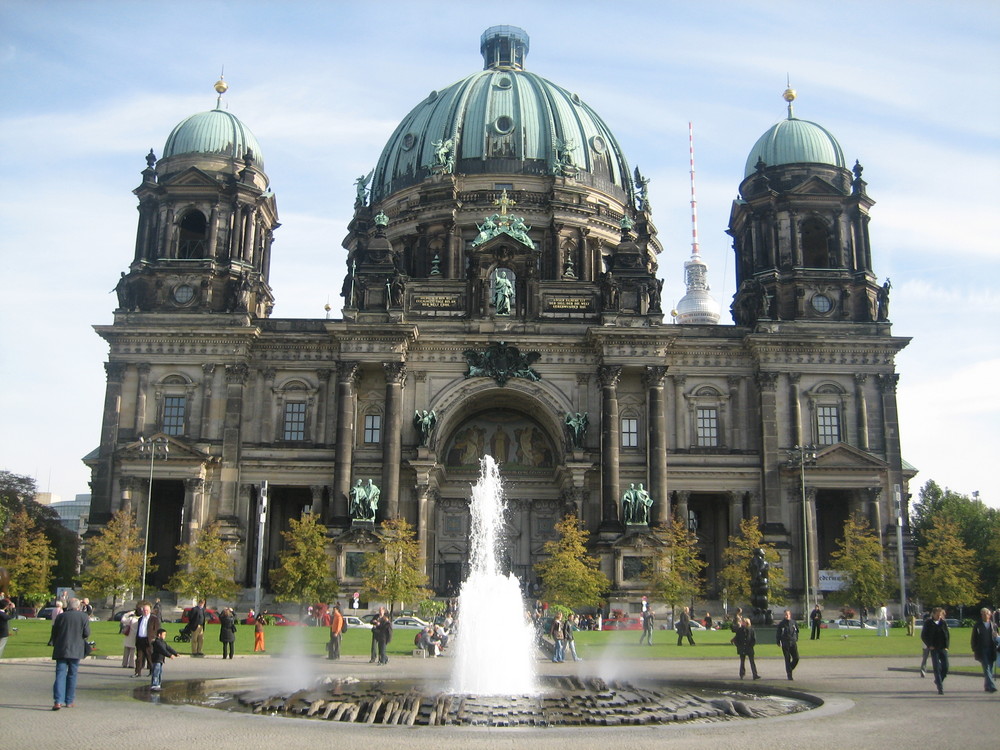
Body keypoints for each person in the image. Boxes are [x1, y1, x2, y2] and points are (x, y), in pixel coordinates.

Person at [50, 597, 90, 710]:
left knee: (60, 675)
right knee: (72, 675)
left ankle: (58, 701)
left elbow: (54, 633)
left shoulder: (61, 616)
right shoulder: (83, 617)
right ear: (78, 607)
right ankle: (69, 700)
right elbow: (86, 633)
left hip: (61, 648)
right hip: (76, 649)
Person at [921, 607, 950, 694]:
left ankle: (939, 680)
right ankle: (940, 687)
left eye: (941, 614)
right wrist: (929, 645)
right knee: (937, 668)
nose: (939, 616)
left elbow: (947, 635)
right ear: (933, 614)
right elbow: (923, 635)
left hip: (943, 648)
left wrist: (947, 646)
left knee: (946, 667)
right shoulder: (928, 623)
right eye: (938, 614)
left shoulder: (943, 623)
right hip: (934, 648)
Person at [971, 607, 998, 693]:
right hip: (982, 650)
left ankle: (987, 686)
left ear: (990, 615)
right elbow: (973, 638)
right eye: (983, 614)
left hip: (992, 649)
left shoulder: (993, 626)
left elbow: (997, 639)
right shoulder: (977, 625)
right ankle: (992, 686)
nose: (985, 615)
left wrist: (996, 636)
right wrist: (974, 648)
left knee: (990, 668)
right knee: (986, 667)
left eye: (986, 613)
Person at [134, 601, 159, 677]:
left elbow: (157, 629)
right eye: (144, 610)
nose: (145, 612)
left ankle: (152, 671)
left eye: (147, 610)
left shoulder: (153, 619)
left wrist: (154, 638)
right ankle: (138, 672)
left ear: (150, 611)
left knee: (149, 657)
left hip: (148, 640)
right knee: (139, 657)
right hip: (140, 639)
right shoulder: (140, 619)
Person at [776, 609, 800, 680]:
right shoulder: (781, 624)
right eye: (785, 614)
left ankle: (790, 668)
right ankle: (789, 675)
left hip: (793, 642)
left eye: (787, 614)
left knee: (796, 658)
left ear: (790, 614)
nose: (786, 616)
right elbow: (778, 633)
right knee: (787, 658)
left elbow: (797, 631)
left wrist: (796, 638)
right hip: (785, 643)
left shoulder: (793, 622)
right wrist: (778, 641)